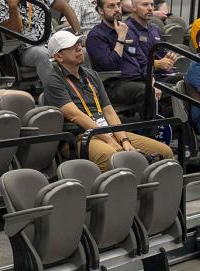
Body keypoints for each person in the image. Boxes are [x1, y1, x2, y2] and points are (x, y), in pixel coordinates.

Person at [42, 30, 173, 171]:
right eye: (71, 46)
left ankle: (146, 191)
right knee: (114, 158)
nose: (79, 47)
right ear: (58, 56)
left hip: (107, 131)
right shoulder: (53, 80)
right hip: (81, 137)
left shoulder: (92, 75)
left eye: (79, 43)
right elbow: (75, 115)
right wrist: (110, 140)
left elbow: (109, 112)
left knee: (165, 153)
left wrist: (124, 140)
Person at [0, 0, 80, 80]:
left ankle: (81, 84)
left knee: (77, 49)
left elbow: (65, 7)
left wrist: (78, 34)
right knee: (42, 53)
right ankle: (55, 91)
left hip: (51, 41)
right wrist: (13, 6)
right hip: (26, 49)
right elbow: (14, 32)